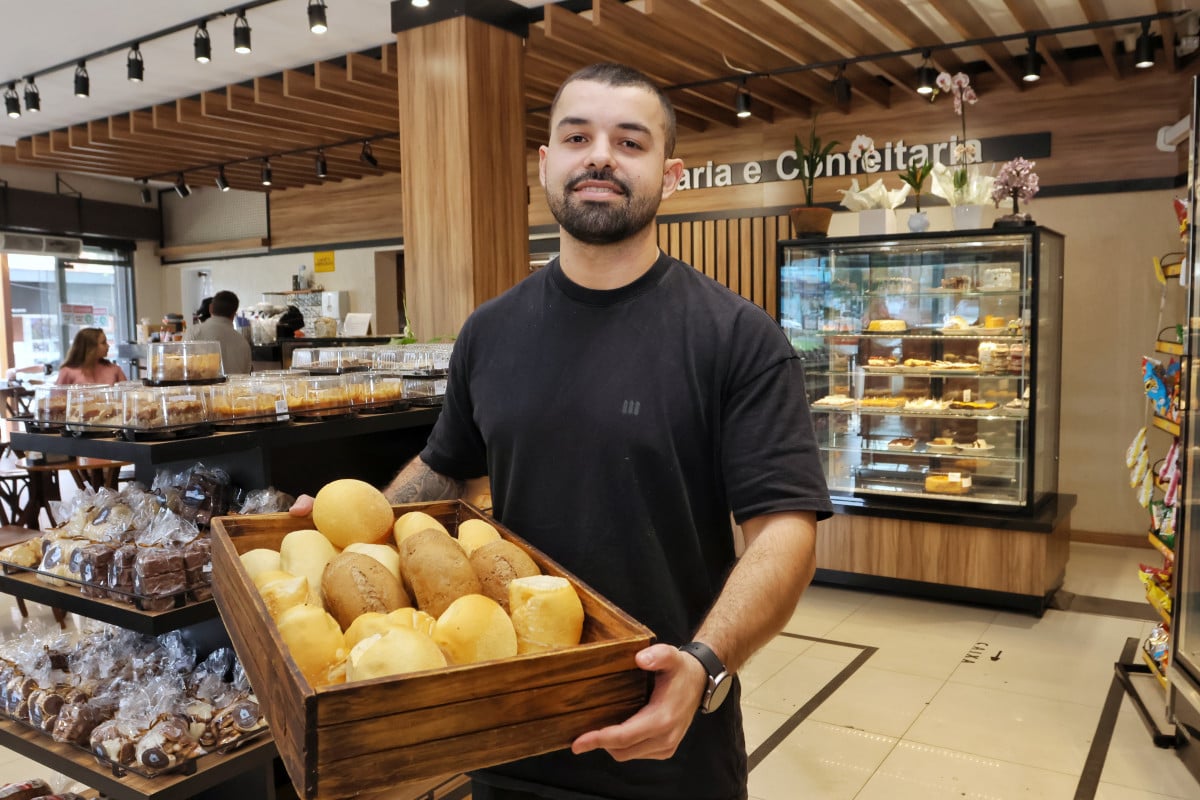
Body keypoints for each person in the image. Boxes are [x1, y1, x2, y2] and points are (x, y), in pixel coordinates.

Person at [294, 62, 831, 800]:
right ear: (547, 166)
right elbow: (447, 470)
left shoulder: (736, 337)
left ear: (670, 175)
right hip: (508, 732)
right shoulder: (489, 331)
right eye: (577, 136)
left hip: (664, 735)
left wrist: (705, 664)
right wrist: (351, 536)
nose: (600, 155)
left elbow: (784, 530)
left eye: (629, 141)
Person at [184, 290, 251, 374]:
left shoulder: (193, 332)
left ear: (210, 308)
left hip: (200, 386)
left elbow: (183, 370)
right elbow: (246, 376)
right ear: (234, 314)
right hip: (234, 387)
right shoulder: (243, 343)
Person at [55, 328, 127, 385]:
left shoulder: (114, 369)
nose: (108, 346)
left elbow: (126, 394)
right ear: (90, 347)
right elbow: (57, 399)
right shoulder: (67, 372)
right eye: (103, 343)